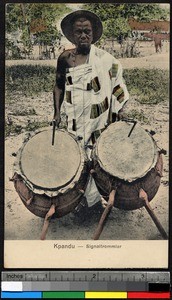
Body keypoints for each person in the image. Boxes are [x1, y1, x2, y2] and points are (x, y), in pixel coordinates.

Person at [53, 10, 129, 215]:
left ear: (93, 34)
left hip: (98, 119)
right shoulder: (66, 59)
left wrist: (120, 109)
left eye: (87, 31)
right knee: (77, 156)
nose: (83, 36)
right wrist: (56, 114)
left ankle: (95, 202)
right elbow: (59, 86)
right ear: (72, 34)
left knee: (95, 155)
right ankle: (80, 200)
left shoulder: (105, 59)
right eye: (79, 32)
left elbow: (117, 83)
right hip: (75, 119)